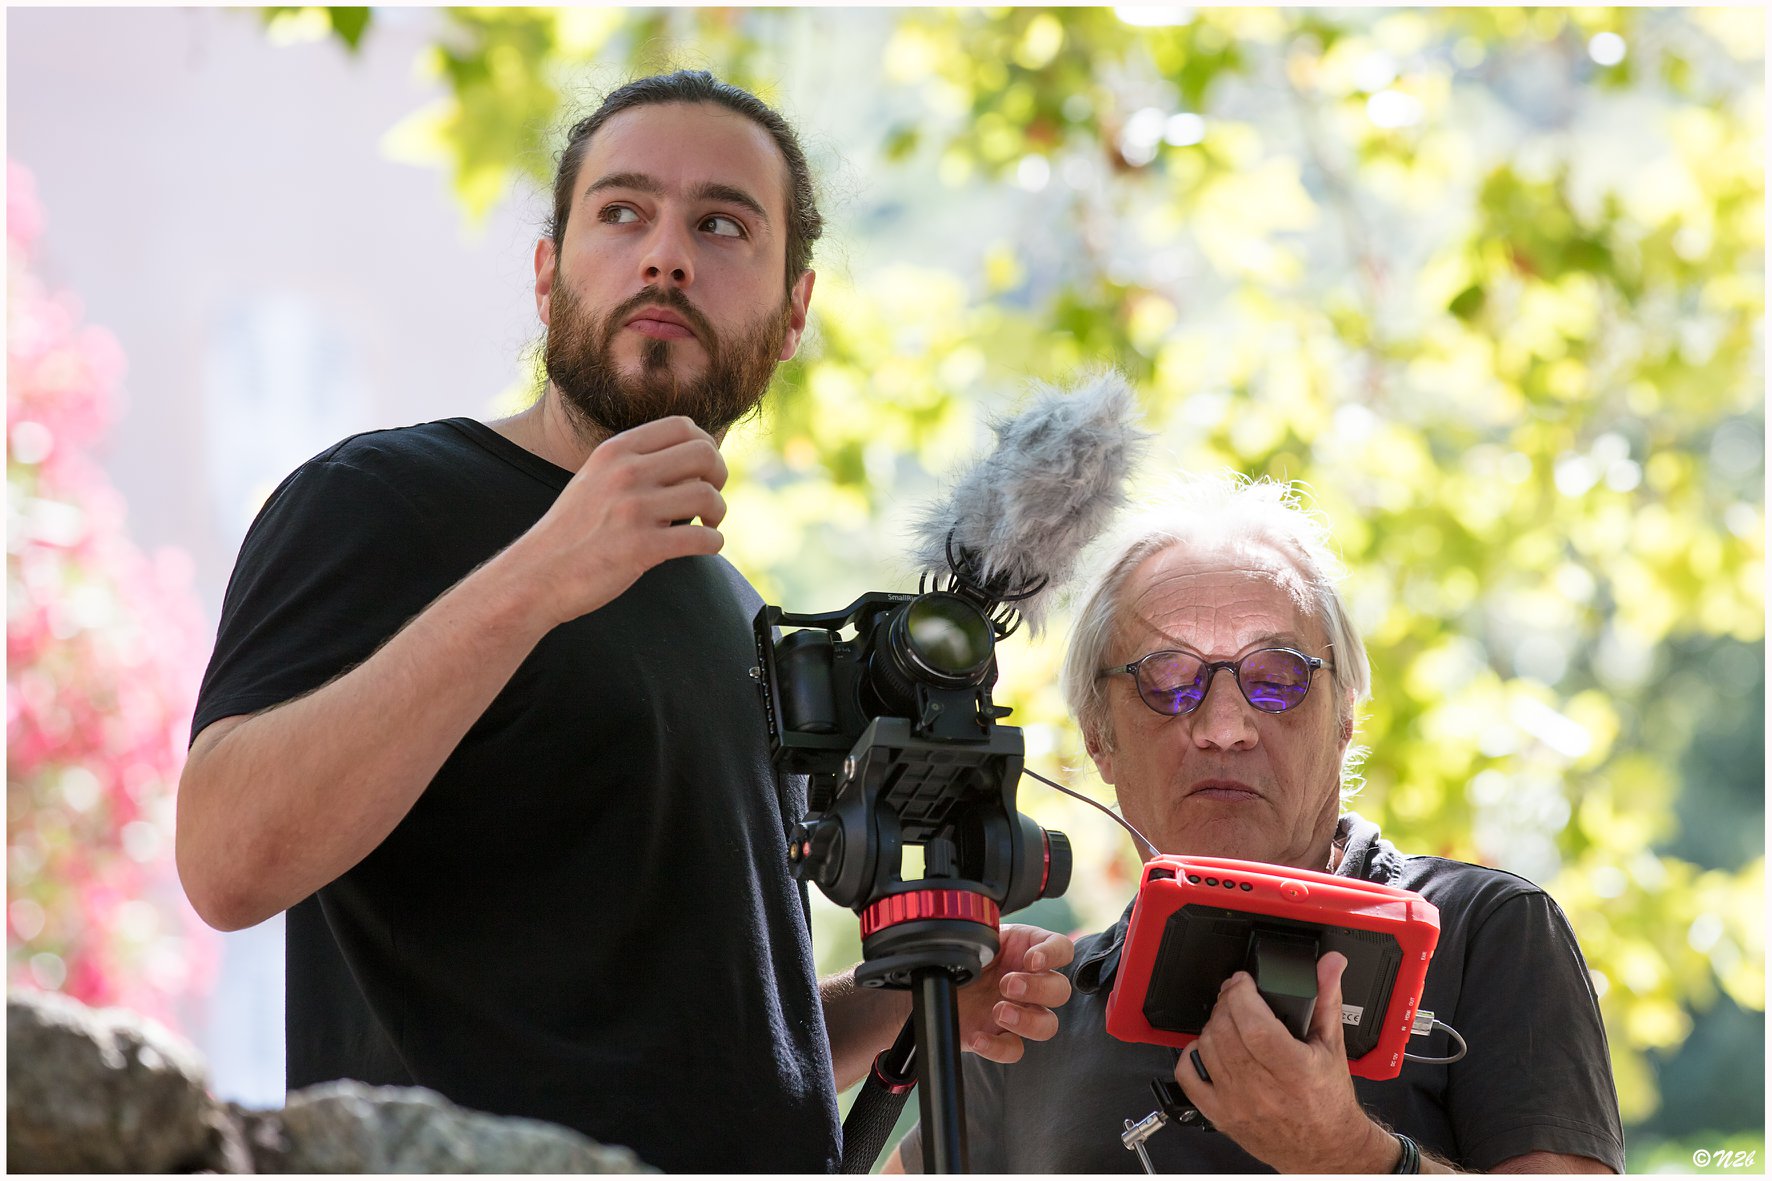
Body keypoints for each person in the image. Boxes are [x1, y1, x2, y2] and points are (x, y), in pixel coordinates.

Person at [175, 70, 1073, 1173]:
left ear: (792, 313)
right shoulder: (381, 498)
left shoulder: (736, 611)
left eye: (720, 225)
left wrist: (904, 994)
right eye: (620, 212)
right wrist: (541, 572)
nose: (665, 255)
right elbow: (226, 858)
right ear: (549, 273)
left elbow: (724, 1046)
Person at [890, 474, 1625, 1173]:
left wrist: (1346, 1154)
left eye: (1277, 679)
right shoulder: (1035, 1009)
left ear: (1344, 718)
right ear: (1097, 735)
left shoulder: (1483, 930)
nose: (1225, 725)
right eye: (1169, 681)